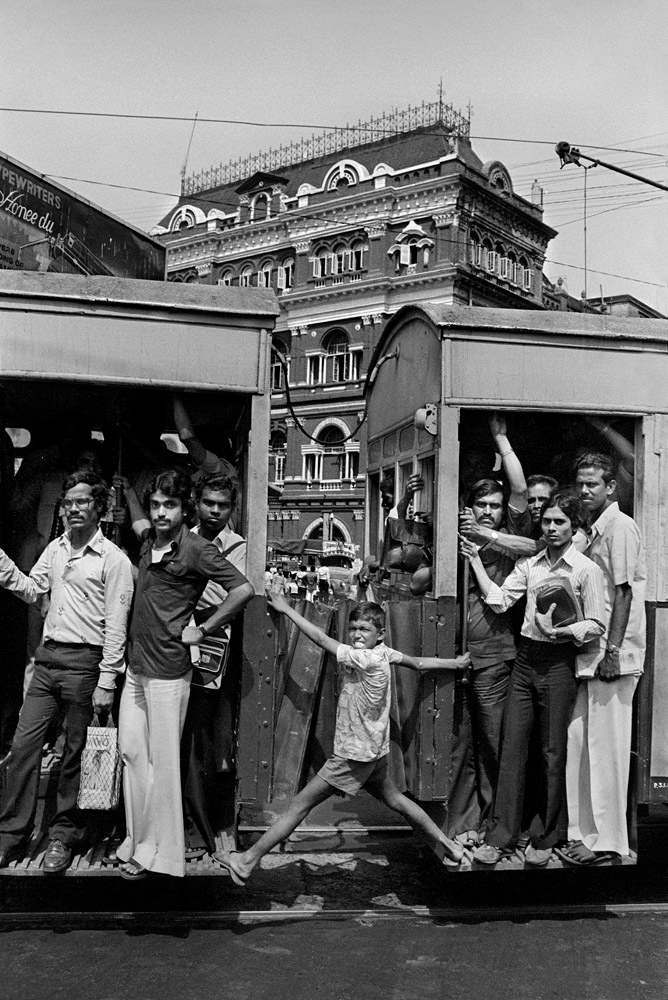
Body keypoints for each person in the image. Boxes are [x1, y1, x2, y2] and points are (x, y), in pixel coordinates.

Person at [212, 597, 470, 884]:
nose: (357, 635)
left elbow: (321, 638)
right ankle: (450, 848)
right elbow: (419, 663)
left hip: (351, 757)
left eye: (364, 630)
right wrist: (455, 664)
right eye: (353, 629)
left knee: (299, 806)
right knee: (398, 800)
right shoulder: (385, 654)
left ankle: (247, 861)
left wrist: (286, 609)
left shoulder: (364, 658)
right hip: (375, 753)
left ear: (380, 634)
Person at [116, 469, 253, 879]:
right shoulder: (148, 541)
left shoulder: (195, 548)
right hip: (137, 668)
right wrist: (129, 494)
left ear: (183, 508)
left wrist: (204, 628)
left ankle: (162, 854)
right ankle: (138, 840)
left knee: (163, 762)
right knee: (132, 754)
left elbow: (242, 589)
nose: (160, 513)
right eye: (157, 505)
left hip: (169, 672)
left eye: (169, 505)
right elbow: (140, 520)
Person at [460, 493, 606, 866]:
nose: (552, 529)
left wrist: (566, 632)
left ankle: (544, 837)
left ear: (574, 527)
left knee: (552, 752)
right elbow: (498, 601)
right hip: (525, 662)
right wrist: (475, 559)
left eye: (559, 522)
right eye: (546, 522)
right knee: (512, 748)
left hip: (559, 664)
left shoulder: (585, 570)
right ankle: (501, 836)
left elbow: (596, 625)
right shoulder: (531, 564)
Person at [0, 471, 133, 872]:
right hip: (47, 661)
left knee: (73, 755)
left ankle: (62, 837)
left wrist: (107, 681)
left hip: (85, 665)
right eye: (69, 502)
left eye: (83, 502)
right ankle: (10, 835)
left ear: (99, 508)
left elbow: (116, 626)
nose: (74, 509)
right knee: (23, 747)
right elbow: (31, 589)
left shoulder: (114, 560)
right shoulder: (56, 550)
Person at [559, 452, 646, 865]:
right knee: (581, 741)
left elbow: (625, 592)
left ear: (611, 487)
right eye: (580, 483)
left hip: (615, 655)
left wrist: (612, 651)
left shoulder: (621, 527)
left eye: (593, 483)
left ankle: (608, 843)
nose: (584, 490)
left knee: (607, 749)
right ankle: (584, 834)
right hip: (592, 654)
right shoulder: (594, 530)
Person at [183, 473, 247, 857]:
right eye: (209, 503)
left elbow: (225, 593)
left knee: (209, 741)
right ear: (196, 501)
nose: (215, 511)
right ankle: (192, 827)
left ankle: (210, 828)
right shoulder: (183, 536)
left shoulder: (236, 545)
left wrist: (189, 592)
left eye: (223, 505)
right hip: (181, 647)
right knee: (185, 738)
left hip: (214, 650)